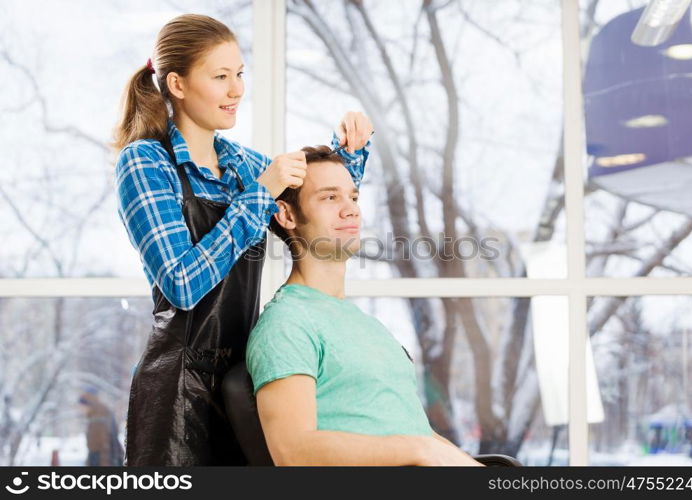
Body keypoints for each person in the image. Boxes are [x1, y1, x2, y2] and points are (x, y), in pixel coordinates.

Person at [112, 14, 372, 466]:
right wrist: (259, 195)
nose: (237, 90)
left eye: (240, 74)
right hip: (177, 392)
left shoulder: (241, 165)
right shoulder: (145, 162)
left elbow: (311, 216)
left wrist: (347, 152)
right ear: (177, 83)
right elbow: (183, 284)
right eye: (221, 77)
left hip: (246, 380)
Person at [245, 146, 483, 466]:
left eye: (353, 198)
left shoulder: (369, 326)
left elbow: (419, 436)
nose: (351, 210)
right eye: (330, 198)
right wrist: (419, 450)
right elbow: (294, 452)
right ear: (287, 215)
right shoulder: (287, 323)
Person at [78, 389, 124, 467]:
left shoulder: (98, 419)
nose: (80, 409)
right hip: (107, 458)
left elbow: (102, 446)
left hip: (104, 460)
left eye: (81, 406)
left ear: (87, 405)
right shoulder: (97, 415)